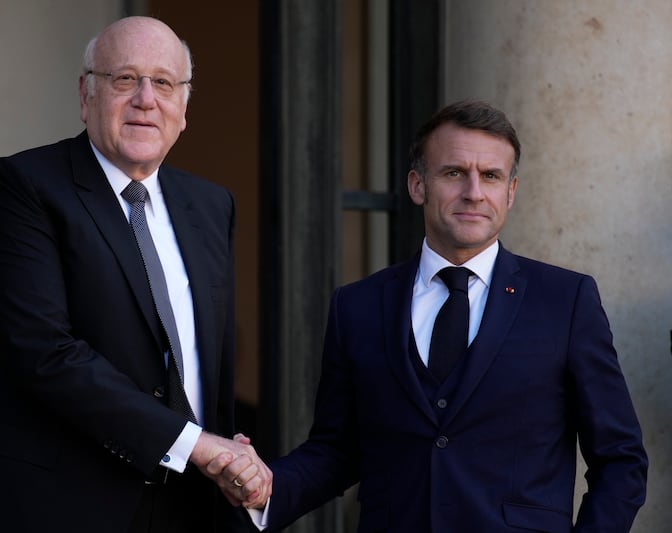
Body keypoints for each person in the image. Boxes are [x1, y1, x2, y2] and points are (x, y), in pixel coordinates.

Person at [222, 100, 648, 531]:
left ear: (511, 192)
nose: (474, 192)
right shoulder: (358, 306)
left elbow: (620, 459)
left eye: (491, 176)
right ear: (417, 185)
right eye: (454, 173)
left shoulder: (566, 301)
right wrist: (268, 486)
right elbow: (336, 450)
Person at [0, 16, 270, 533]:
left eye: (164, 83)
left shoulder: (212, 205)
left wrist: (228, 457)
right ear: (86, 94)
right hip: (55, 505)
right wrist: (193, 443)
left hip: (186, 509)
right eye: (125, 79)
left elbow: (210, 369)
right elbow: (43, 352)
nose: (146, 98)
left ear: (183, 106)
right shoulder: (26, 186)